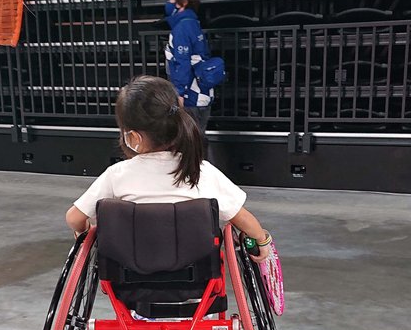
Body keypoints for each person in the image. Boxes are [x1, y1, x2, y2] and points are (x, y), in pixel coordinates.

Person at [66, 75, 270, 261]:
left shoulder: (116, 175)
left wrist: (85, 232)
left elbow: (74, 217)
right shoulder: (200, 171)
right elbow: (241, 218)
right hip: (197, 278)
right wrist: (261, 240)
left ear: (133, 137)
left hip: (130, 282)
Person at [164, 0, 215, 135]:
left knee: (188, 145)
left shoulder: (182, 28)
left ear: (183, 2)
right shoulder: (194, 24)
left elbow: (182, 63)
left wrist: (179, 93)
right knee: (198, 141)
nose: (168, 4)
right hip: (203, 94)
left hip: (190, 97)